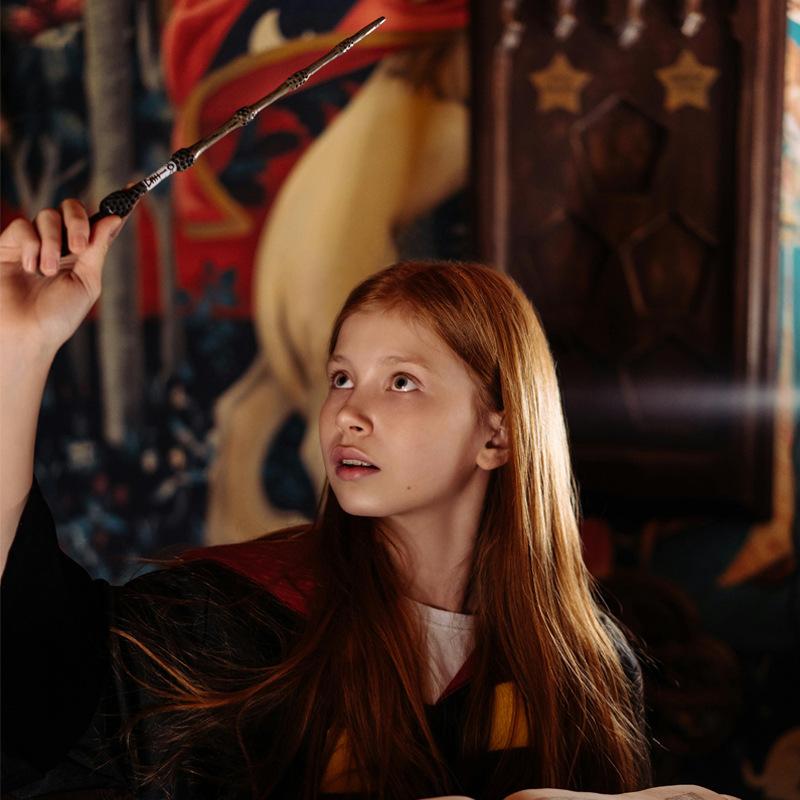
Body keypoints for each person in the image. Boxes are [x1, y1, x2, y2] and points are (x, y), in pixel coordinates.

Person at [0, 202, 733, 800]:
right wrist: (19, 353)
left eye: (401, 382)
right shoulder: (235, 619)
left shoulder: (587, 664)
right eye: (342, 378)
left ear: (498, 436)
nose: (348, 413)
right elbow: (31, 671)